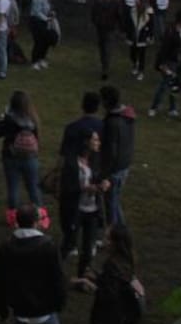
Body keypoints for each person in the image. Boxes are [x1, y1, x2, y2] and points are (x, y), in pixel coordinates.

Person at [56, 93, 105, 260]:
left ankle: (71, 243)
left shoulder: (72, 127)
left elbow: (63, 154)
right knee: (93, 207)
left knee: (71, 210)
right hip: (93, 171)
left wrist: (58, 171)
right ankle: (91, 241)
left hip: (73, 173)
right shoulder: (103, 126)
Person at [0, 90, 42, 213]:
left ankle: (13, 217)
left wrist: (2, 118)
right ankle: (39, 215)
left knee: (13, 188)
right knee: (33, 188)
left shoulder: (9, 119)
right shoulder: (33, 119)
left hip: (11, 156)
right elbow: (36, 138)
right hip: (30, 157)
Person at [149, 8, 181, 121]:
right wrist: (162, 64)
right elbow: (164, 48)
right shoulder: (171, 30)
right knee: (165, 84)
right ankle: (154, 107)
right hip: (171, 61)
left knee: (175, 86)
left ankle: (172, 108)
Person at [100, 85, 136, 228]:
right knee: (114, 202)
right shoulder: (128, 116)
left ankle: (114, 235)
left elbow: (111, 152)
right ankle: (121, 230)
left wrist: (104, 173)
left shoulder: (112, 122)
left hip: (114, 170)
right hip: (124, 164)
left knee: (111, 205)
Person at [73, 129, 107, 280]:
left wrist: (105, 183)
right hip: (75, 209)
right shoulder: (73, 162)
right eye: (95, 140)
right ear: (86, 142)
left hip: (92, 209)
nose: (98, 143)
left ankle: (83, 274)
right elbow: (69, 186)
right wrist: (88, 188)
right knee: (68, 244)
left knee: (88, 247)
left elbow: (100, 178)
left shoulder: (96, 160)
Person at [90, 0, 121, 81]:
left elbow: (119, 15)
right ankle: (104, 65)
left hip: (110, 29)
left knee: (107, 49)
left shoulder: (115, 3)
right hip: (101, 29)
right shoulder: (97, 2)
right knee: (102, 49)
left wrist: (118, 26)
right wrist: (96, 22)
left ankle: (105, 69)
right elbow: (93, 14)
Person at [125, 0, 154, 81]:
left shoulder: (149, 12)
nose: (135, 1)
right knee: (132, 53)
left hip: (142, 36)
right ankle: (135, 65)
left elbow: (152, 25)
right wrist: (127, 34)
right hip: (133, 35)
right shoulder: (132, 10)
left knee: (142, 55)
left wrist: (150, 36)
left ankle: (141, 71)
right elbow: (129, 23)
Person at [29, 0, 57, 71]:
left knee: (45, 41)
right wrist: (46, 18)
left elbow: (47, 9)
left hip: (44, 21)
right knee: (39, 41)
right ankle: (35, 61)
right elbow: (36, 12)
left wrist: (51, 14)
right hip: (37, 22)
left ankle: (42, 58)